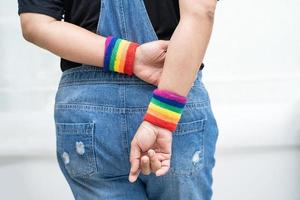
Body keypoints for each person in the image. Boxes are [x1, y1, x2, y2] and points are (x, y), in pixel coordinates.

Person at [18, 0, 219, 199]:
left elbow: (35, 23)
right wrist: (161, 118)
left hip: (88, 114)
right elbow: (200, 12)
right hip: (171, 99)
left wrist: (130, 57)